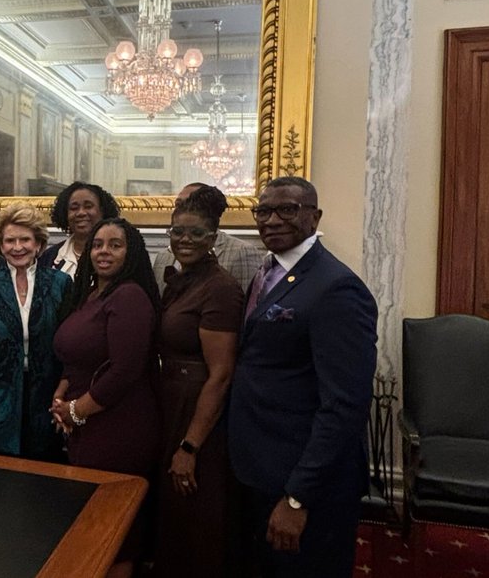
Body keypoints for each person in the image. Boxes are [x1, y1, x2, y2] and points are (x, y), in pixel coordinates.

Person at [228, 176, 377, 578]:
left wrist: (298, 496)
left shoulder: (337, 287)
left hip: (305, 481)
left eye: (287, 209)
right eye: (263, 211)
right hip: (261, 465)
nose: (272, 220)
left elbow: (345, 405)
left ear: (315, 216)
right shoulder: (268, 271)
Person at [51, 217, 161, 578]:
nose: (103, 252)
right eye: (98, 244)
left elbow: (125, 371)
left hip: (119, 426)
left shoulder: (129, 296)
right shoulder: (90, 295)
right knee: (91, 522)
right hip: (87, 423)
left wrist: (75, 411)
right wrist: (61, 395)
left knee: (114, 531)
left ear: (131, 253)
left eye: (115, 245)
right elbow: (76, 356)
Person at [151, 187, 243, 578]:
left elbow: (221, 374)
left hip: (197, 409)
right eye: (177, 232)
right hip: (172, 399)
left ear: (213, 238)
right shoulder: (184, 279)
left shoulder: (219, 287)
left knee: (197, 513)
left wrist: (190, 446)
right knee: (174, 512)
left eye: (196, 233)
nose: (185, 240)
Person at [0, 204, 72, 460]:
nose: (17, 247)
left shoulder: (60, 283)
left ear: (39, 244)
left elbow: (69, 349)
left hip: (48, 400)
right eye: (9, 241)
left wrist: (67, 398)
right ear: (0, 246)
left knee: (44, 472)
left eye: (25, 239)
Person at [153, 182, 263, 293]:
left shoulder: (242, 252)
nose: (184, 209)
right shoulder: (163, 257)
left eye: (192, 204)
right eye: (179, 204)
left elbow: (247, 300)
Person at [38, 181, 120, 280]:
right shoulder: (49, 257)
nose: (81, 213)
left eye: (88, 206)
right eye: (74, 208)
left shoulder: (117, 255)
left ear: (102, 211)